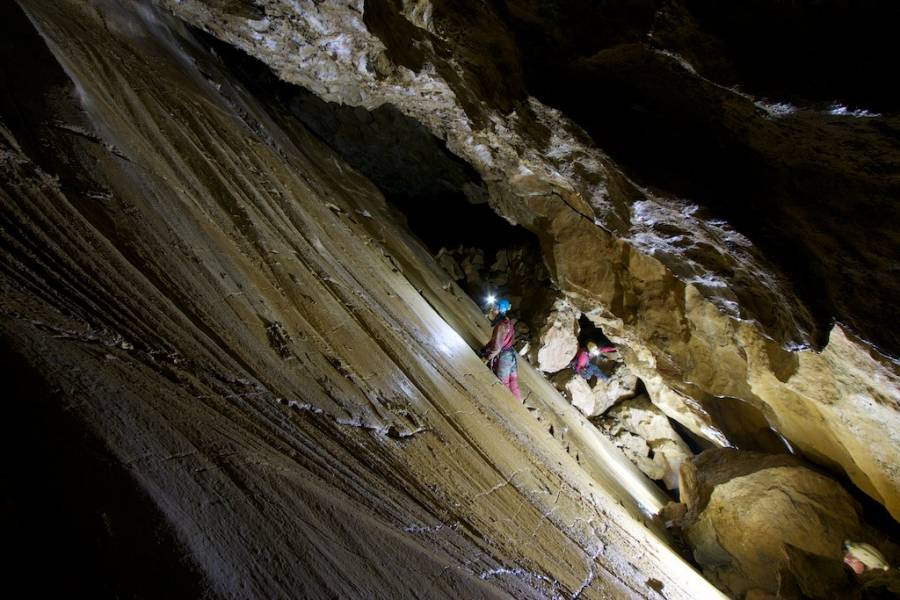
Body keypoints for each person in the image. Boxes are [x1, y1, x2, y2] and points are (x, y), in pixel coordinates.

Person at [481, 298, 522, 399]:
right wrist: (485, 348)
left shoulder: (501, 326)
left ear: (500, 310)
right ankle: (519, 405)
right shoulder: (508, 322)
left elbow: (496, 348)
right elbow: (497, 341)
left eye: (494, 308)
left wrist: (486, 358)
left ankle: (511, 408)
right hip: (511, 356)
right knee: (513, 383)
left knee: (503, 386)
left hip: (505, 358)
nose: (492, 311)